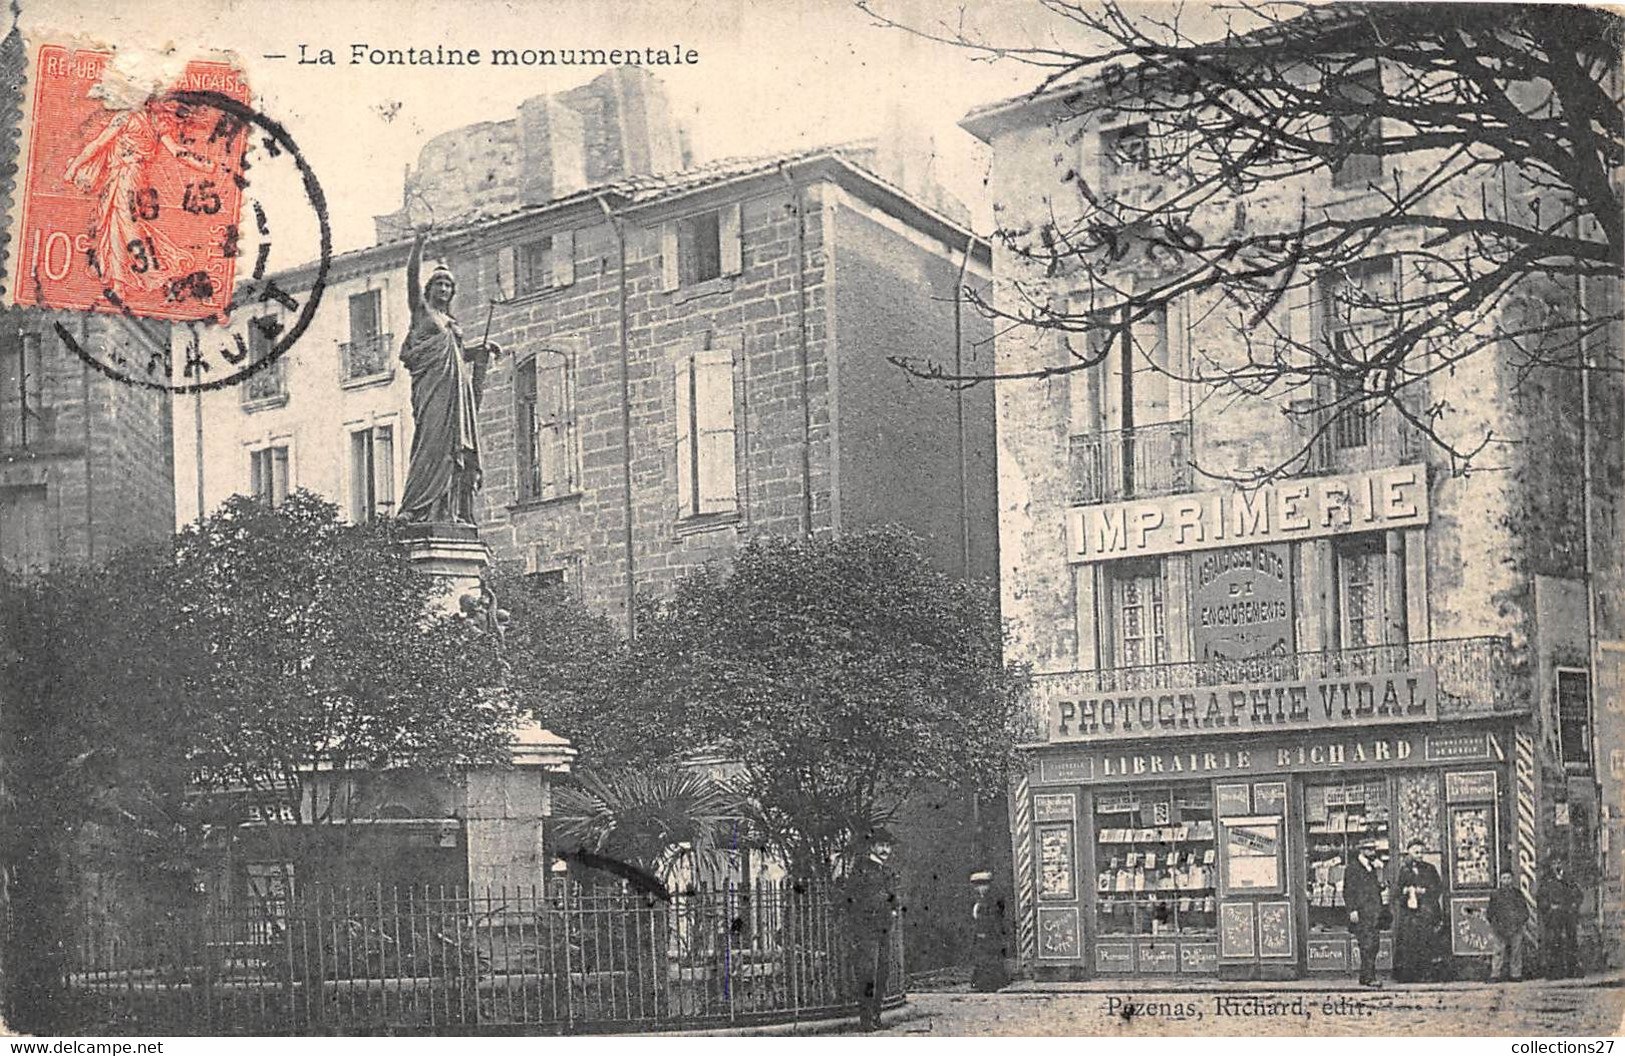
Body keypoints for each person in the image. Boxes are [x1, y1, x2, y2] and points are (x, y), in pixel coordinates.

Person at [398, 229, 501, 525]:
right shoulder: (422, 312)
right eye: (439, 283)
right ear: (429, 289)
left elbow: (458, 354)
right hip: (433, 393)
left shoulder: (451, 324)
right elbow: (410, 278)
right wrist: (418, 244)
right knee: (431, 445)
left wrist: (481, 349)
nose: (443, 289)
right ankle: (417, 507)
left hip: (456, 395)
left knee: (455, 449)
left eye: (448, 285)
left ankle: (450, 510)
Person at [844, 828, 900, 1031]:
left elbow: (893, 897)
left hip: (884, 929)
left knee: (882, 972)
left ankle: (877, 1016)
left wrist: (893, 910)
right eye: (881, 845)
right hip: (866, 930)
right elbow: (849, 899)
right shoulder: (861, 868)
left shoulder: (887, 871)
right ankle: (866, 1020)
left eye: (887, 846)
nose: (885, 850)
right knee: (868, 973)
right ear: (872, 846)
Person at [1393, 840, 1445, 982]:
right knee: (1409, 944)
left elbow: (1438, 888)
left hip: (1426, 912)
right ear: (1409, 853)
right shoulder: (1404, 870)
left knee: (1426, 943)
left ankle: (1426, 974)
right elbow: (1397, 891)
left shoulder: (1430, 869)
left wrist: (1425, 891)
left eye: (1422, 852)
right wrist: (1405, 891)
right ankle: (1409, 975)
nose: (1420, 855)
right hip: (1410, 914)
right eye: (1416, 852)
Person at [1344, 838, 1387, 988]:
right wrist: (1352, 910)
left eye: (1373, 849)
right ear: (1361, 850)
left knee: (1374, 944)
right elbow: (1348, 891)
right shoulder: (1353, 868)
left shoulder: (1372, 867)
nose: (1373, 852)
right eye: (1369, 849)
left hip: (1374, 911)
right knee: (1367, 945)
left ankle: (1365, 976)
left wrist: (1381, 875)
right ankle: (1369, 977)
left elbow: (1377, 888)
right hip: (1361, 912)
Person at [968, 870, 1010, 992]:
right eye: (978, 885)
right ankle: (982, 983)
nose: (980, 888)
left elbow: (995, 916)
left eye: (983, 885)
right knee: (982, 958)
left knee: (990, 958)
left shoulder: (993, 899)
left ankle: (992, 983)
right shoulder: (977, 899)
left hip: (990, 932)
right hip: (980, 933)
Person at [1486, 869, 1529, 982]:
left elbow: (1524, 911)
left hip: (1515, 927)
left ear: (1512, 879)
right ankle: (1495, 974)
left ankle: (1516, 974)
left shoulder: (1517, 894)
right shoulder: (1495, 895)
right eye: (1504, 878)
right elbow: (1490, 912)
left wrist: (1519, 922)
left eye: (1508, 878)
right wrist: (1496, 925)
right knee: (1498, 952)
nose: (1506, 881)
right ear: (1500, 880)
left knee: (1516, 951)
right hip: (1500, 927)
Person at [1540, 863, 1582, 978]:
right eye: (1554, 863)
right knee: (1554, 942)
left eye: (1559, 863)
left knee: (1571, 941)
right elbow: (1541, 897)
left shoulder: (1569, 879)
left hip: (1568, 914)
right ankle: (1555, 971)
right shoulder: (1547, 880)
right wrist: (1548, 908)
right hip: (1554, 916)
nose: (1557, 866)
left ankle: (1571, 970)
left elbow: (1578, 895)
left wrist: (1573, 906)